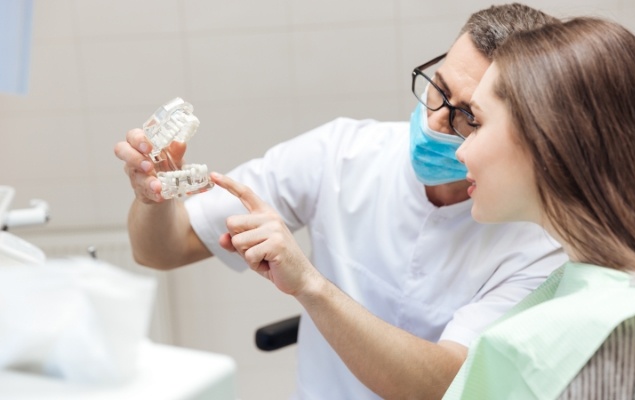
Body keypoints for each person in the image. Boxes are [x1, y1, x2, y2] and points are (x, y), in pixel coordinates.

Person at [114, 4, 567, 399]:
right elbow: (161, 250)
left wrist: (310, 285)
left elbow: (443, 386)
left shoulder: (538, 240)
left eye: (468, 117)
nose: (434, 122)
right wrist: (152, 197)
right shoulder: (342, 153)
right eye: (438, 87)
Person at [441, 17, 635, 399]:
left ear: (545, 135)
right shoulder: (582, 281)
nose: (461, 149)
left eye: (476, 122)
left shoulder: (549, 349)